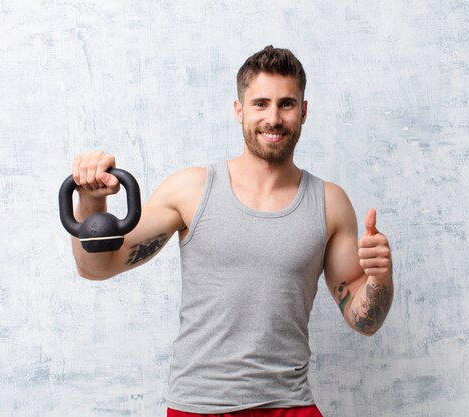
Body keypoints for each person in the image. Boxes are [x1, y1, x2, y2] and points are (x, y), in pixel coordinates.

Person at [69, 46, 393, 417]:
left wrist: (381, 279)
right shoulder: (191, 190)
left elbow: (363, 317)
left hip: (288, 405)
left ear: (303, 112)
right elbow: (96, 267)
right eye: (260, 104)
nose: (273, 117)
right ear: (239, 110)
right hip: (200, 406)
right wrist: (92, 205)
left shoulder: (329, 203)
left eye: (286, 104)